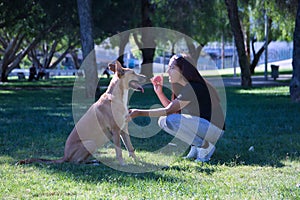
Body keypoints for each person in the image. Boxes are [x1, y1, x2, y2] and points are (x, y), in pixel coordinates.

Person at [127, 54, 225, 162]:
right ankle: (196, 146)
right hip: (204, 127)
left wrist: (138, 112)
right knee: (165, 120)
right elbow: (172, 110)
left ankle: (205, 146)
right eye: (169, 68)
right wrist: (159, 92)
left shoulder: (193, 87)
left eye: (172, 68)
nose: (168, 71)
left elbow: (169, 111)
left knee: (170, 119)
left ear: (183, 70)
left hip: (214, 129)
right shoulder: (185, 87)